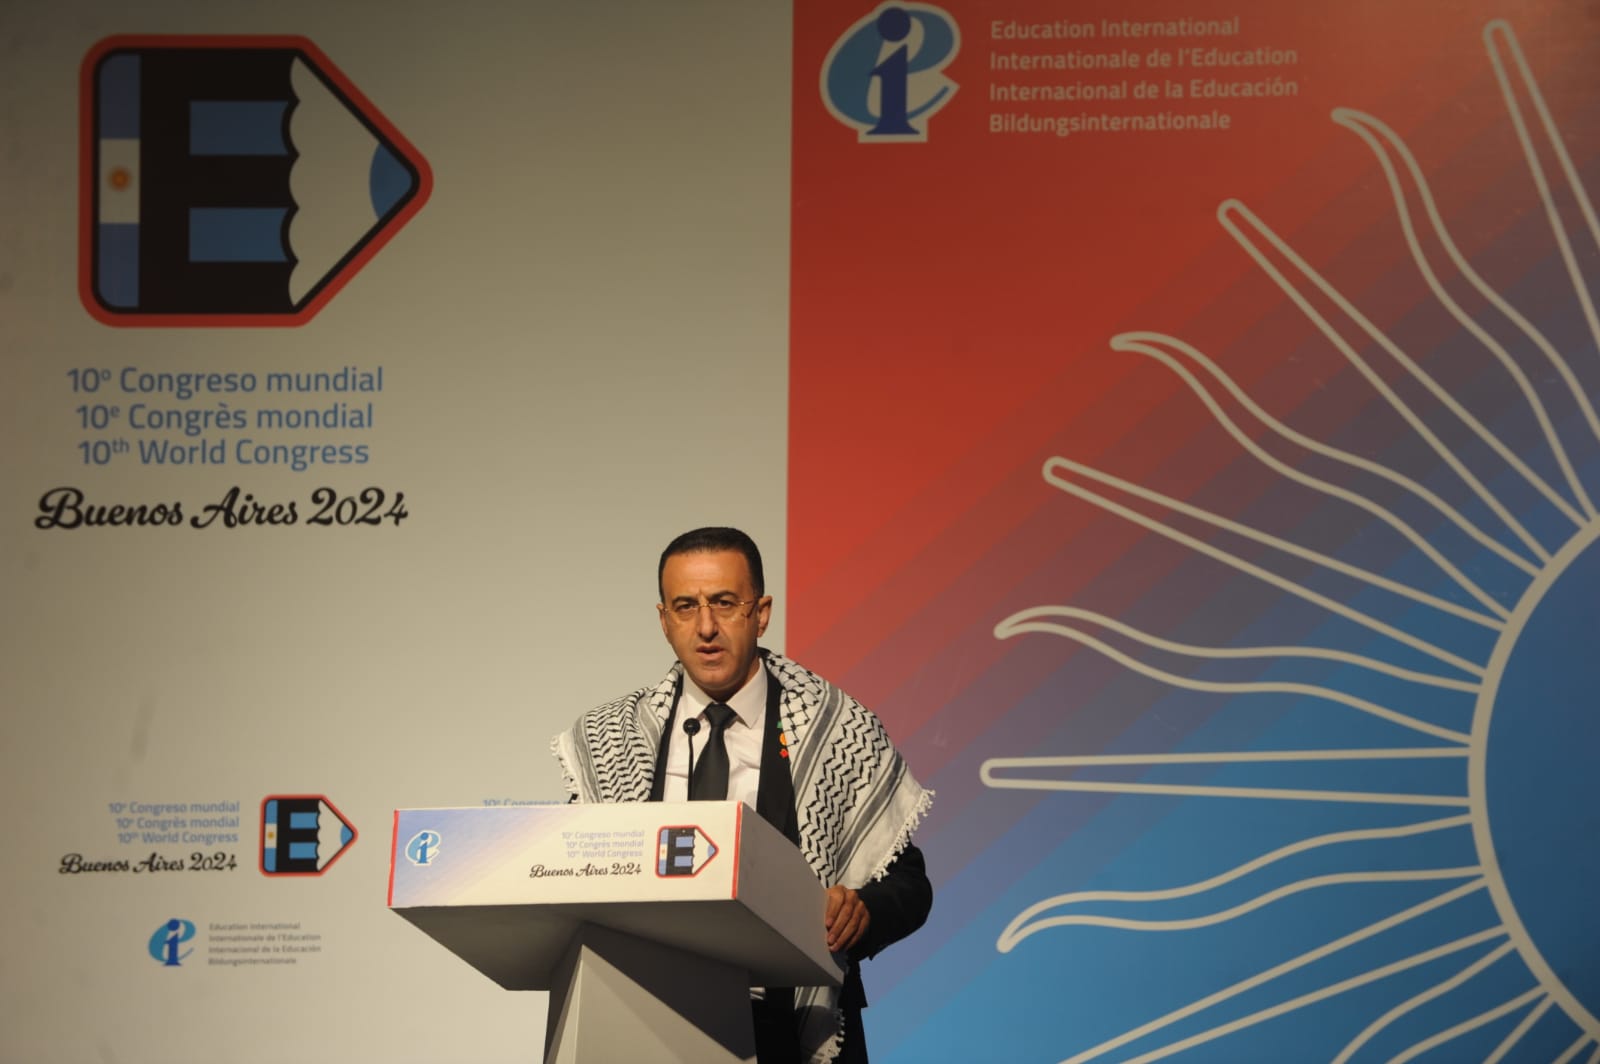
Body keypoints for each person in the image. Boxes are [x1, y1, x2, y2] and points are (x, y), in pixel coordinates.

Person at [553, 526, 933, 1064]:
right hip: (644, 1015)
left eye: (725, 603)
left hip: (788, 1031)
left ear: (762, 613)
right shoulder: (613, 738)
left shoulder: (834, 729)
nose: (706, 627)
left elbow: (910, 885)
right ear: (664, 620)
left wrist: (863, 911)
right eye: (686, 607)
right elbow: (578, 876)